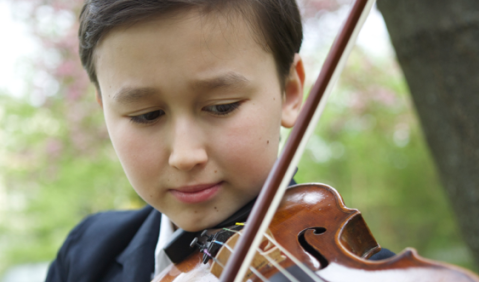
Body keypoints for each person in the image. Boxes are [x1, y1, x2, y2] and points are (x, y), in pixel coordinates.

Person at [46, 0, 393, 281]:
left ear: (289, 92)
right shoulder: (85, 255)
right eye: (146, 115)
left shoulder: (369, 273)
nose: (185, 156)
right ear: (105, 109)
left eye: (221, 107)